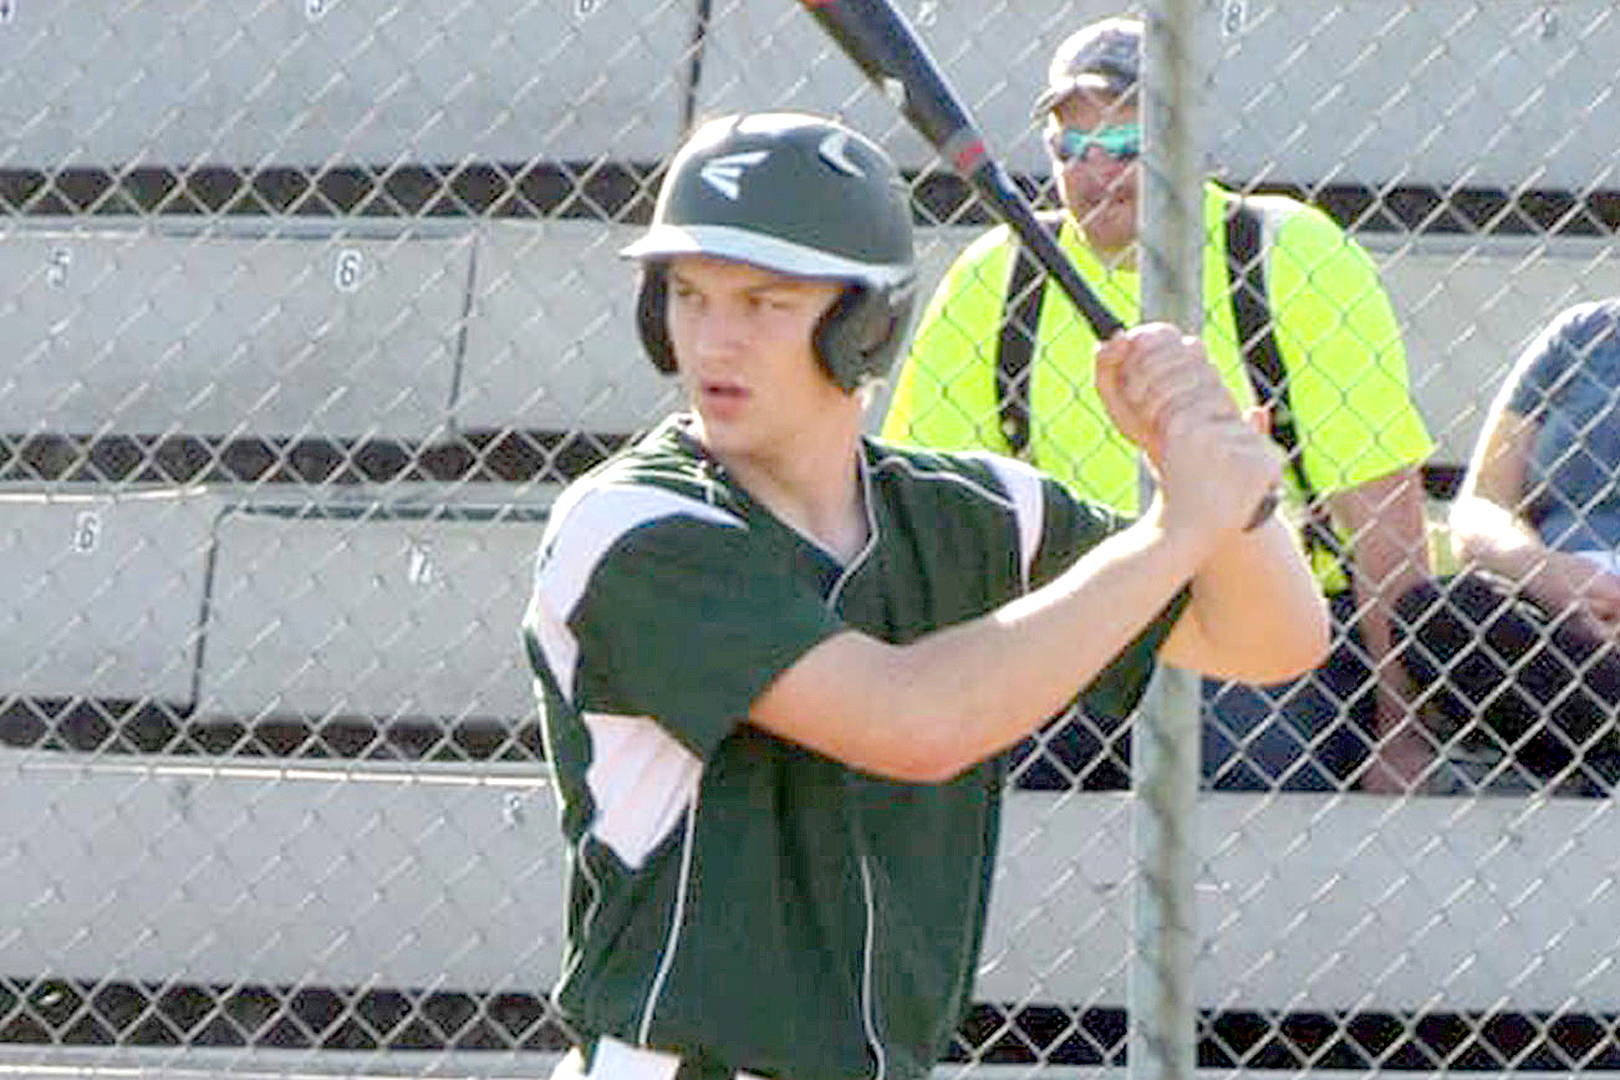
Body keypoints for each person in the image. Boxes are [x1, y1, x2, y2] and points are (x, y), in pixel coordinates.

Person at [522, 111, 1328, 1080]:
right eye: (688, 297)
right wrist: (1177, 529)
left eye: (765, 303)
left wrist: (1196, 460)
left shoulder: (966, 512)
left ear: (866, 324)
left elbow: (1272, 639)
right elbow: (913, 720)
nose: (713, 341)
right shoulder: (634, 528)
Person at [881, 14, 1438, 793]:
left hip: (1253, 619)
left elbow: (1381, 514)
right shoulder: (996, 278)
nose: (1093, 171)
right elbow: (931, 509)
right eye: (1071, 147)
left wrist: (1402, 733)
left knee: (1250, 756)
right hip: (1071, 618)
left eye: (1123, 147)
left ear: (1186, 143)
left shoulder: (1288, 252)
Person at [1397, 299, 1620, 793]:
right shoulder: (1584, 334)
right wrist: (1548, 575)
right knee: (1439, 613)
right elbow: (1481, 505)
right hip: (1564, 624)